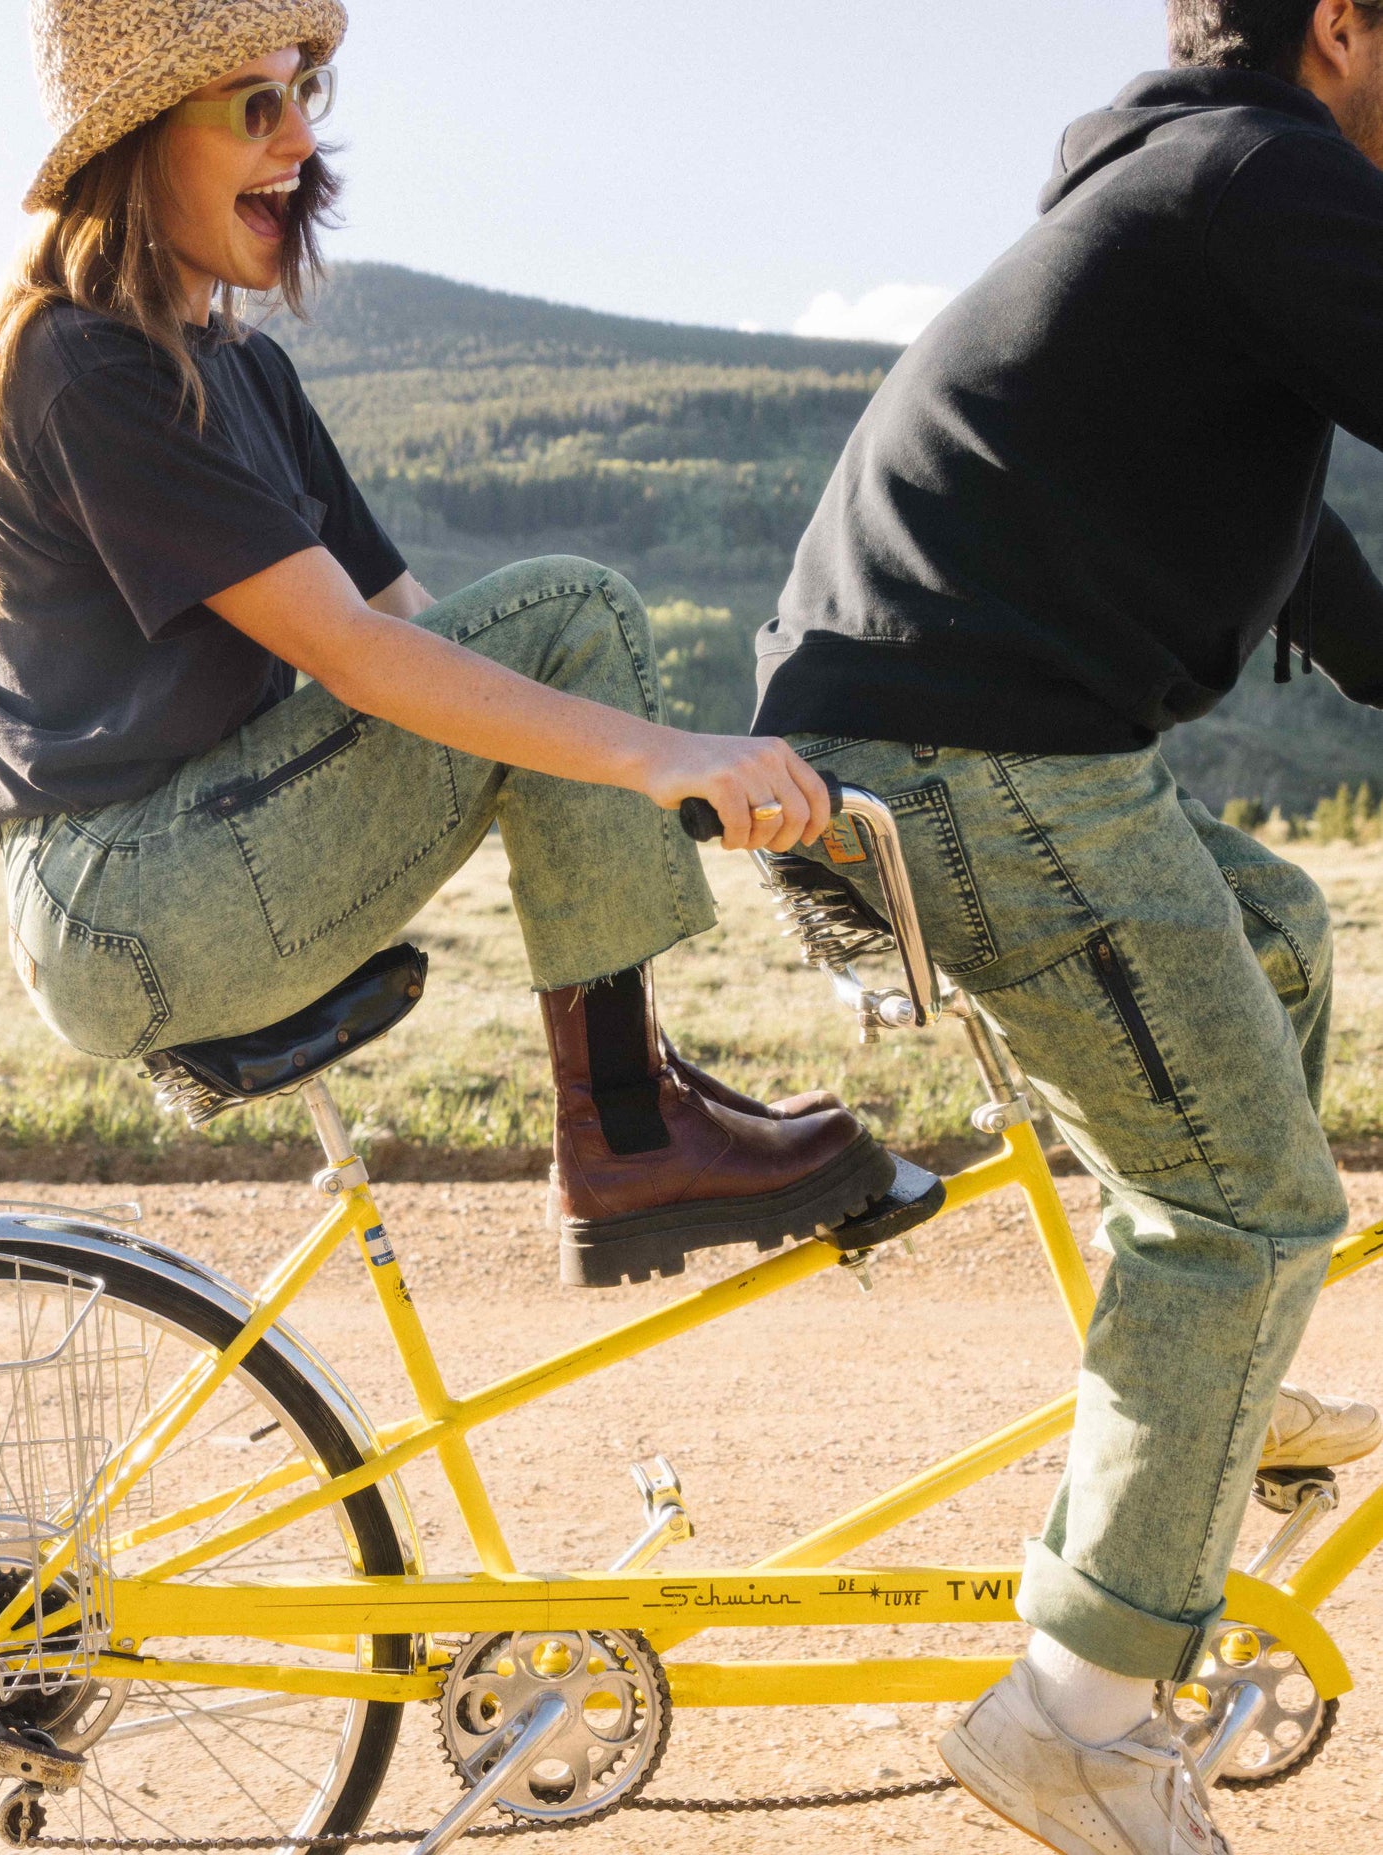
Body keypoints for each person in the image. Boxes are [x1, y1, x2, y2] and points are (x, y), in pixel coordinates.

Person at [0, 0, 899, 1293]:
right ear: (141, 140)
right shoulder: (83, 361)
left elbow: (422, 634)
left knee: (562, 632)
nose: (300, 151)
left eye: (304, 100)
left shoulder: (245, 374)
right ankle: (625, 1128)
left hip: (186, 864)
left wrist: (654, 777)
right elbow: (361, 658)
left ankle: (632, 1097)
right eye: (254, 108)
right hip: (121, 897)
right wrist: (663, 756)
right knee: (578, 609)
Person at [754, 2, 1383, 1849]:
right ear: (1342, 25)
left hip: (931, 750)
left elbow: (1319, 578)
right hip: (974, 760)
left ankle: (1216, 1402)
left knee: (1272, 943)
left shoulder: (1186, 208)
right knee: (1249, 1212)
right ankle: (1078, 1718)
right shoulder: (1260, 171)